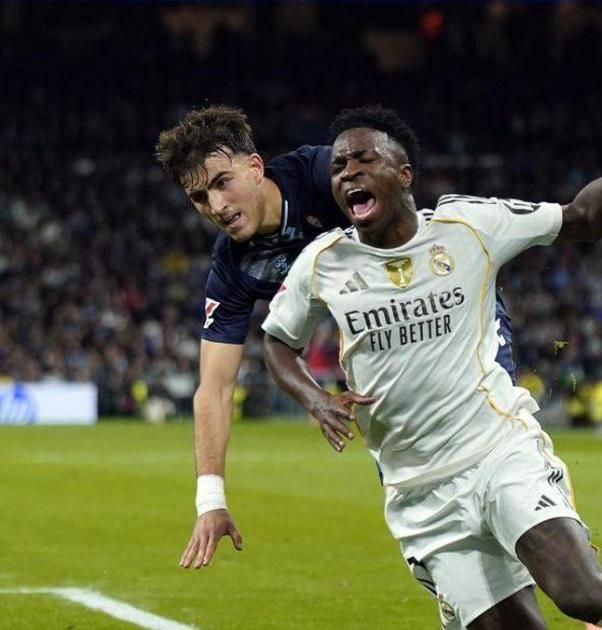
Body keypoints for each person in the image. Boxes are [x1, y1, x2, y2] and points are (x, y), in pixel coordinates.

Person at [261, 100, 602, 630]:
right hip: (419, 493)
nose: (348, 171)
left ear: (404, 174)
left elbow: (583, 218)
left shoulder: (469, 225)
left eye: (363, 160)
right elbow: (277, 340)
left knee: (583, 594)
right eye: (338, 166)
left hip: (498, 453)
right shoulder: (323, 262)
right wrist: (315, 398)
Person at [153, 106, 523, 570]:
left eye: (222, 182)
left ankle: (561, 553)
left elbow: (403, 200)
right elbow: (215, 387)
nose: (217, 206)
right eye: (199, 197)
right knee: (416, 478)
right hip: (385, 346)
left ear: (255, 167)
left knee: (493, 449)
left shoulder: (324, 175)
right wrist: (210, 500)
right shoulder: (233, 266)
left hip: (450, 310)